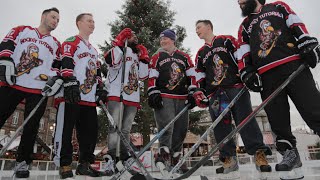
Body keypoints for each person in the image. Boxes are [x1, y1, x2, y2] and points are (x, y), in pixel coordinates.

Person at [237, 0, 320, 179]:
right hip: (267, 75)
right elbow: (243, 51)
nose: (239, 1)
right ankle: (290, 156)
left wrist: (307, 41)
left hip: (293, 64)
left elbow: (295, 23)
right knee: (277, 119)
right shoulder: (244, 26)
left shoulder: (278, 7)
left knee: (314, 109)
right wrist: (247, 71)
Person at [195, 19, 272, 178]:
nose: (196, 31)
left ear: (209, 26)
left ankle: (259, 155)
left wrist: (246, 74)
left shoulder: (226, 40)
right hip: (216, 94)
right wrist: (202, 93)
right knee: (221, 126)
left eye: (199, 27)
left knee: (245, 120)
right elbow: (200, 75)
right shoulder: (201, 52)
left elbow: (241, 57)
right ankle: (228, 159)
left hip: (235, 86)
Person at [0, 7, 61, 178]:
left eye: (58, 20)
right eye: (53, 17)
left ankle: (22, 162)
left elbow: (57, 67)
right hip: (13, 82)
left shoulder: (56, 43)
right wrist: (5, 60)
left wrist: (54, 80)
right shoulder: (22, 30)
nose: (55, 21)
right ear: (43, 16)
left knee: (31, 127)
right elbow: (6, 45)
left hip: (37, 89)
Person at [53, 13, 107, 179]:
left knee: (90, 133)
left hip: (89, 99)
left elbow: (96, 71)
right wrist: (69, 81)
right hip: (71, 95)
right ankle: (64, 164)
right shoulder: (71, 42)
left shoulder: (93, 49)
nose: (93, 23)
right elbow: (66, 61)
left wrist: (100, 88)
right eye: (89, 21)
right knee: (66, 130)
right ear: (79, 23)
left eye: (94, 21)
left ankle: (84, 164)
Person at [148, 29, 204, 173]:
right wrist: (153, 92)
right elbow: (152, 77)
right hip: (165, 96)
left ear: (173, 40)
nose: (163, 41)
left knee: (181, 130)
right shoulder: (157, 57)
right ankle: (163, 156)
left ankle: (176, 158)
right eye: (161, 40)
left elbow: (192, 76)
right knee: (167, 127)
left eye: (165, 39)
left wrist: (193, 91)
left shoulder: (184, 57)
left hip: (182, 97)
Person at [102, 28, 149, 175]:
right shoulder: (119, 50)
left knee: (126, 130)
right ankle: (111, 159)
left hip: (132, 96)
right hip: (117, 94)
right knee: (114, 128)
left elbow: (143, 75)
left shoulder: (136, 53)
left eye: (135, 35)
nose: (134, 37)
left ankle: (124, 156)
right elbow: (113, 62)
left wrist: (144, 58)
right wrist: (118, 43)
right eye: (131, 35)